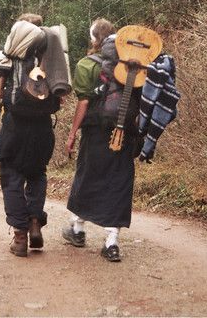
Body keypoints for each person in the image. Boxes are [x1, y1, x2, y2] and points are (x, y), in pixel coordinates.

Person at [0, 13, 71, 258]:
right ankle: (35, 221)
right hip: (42, 129)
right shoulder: (53, 56)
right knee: (37, 174)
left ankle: (20, 236)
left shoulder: (8, 55)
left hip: (15, 127)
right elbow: (62, 97)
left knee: (12, 176)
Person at [62, 18, 142, 262]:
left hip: (96, 130)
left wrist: (73, 132)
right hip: (126, 130)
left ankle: (77, 229)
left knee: (88, 174)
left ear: (94, 39)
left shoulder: (87, 65)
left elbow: (84, 102)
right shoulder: (135, 65)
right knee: (119, 181)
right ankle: (112, 241)